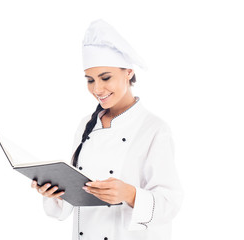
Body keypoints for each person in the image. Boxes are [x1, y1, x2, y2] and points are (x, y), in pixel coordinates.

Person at [31, 19, 183, 240]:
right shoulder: (86, 124)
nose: (97, 89)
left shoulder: (154, 129)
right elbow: (73, 198)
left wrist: (130, 194)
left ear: (128, 72)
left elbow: (170, 203)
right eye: (90, 80)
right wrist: (54, 192)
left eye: (105, 78)